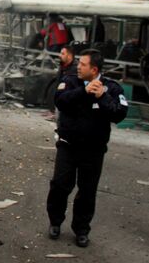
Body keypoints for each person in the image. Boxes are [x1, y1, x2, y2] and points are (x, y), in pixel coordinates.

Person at [47, 49, 128, 248]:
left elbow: (119, 114)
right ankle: (55, 222)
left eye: (82, 64)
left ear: (94, 69)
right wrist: (84, 91)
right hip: (68, 146)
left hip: (93, 150)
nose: (78, 67)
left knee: (87, 191)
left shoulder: (112, 88)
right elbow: (60, 101)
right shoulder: (70, 81)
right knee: (59, 185)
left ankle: (81, 230)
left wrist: (102, 97)